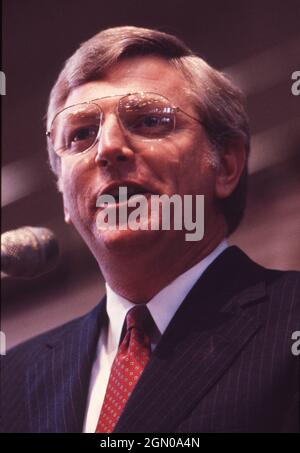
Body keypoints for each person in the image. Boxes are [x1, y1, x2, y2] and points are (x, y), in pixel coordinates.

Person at [1, 26, 299, 433]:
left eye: (148, 120)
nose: (107, 148)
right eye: (82, 134)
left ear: (226, 165)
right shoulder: (11, 381)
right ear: (65, 199)